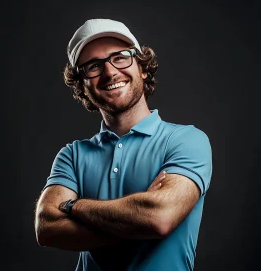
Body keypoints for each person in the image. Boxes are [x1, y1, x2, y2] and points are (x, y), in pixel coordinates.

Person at [34, 18, 212, 271]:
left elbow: (159, 217)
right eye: (93, 66)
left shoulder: (186, 140)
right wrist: (136, 221)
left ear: (142, 67)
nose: (109, 72)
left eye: (120, 57)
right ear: (83, 86)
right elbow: (47, 227)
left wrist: (75, 206)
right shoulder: (72, 155)